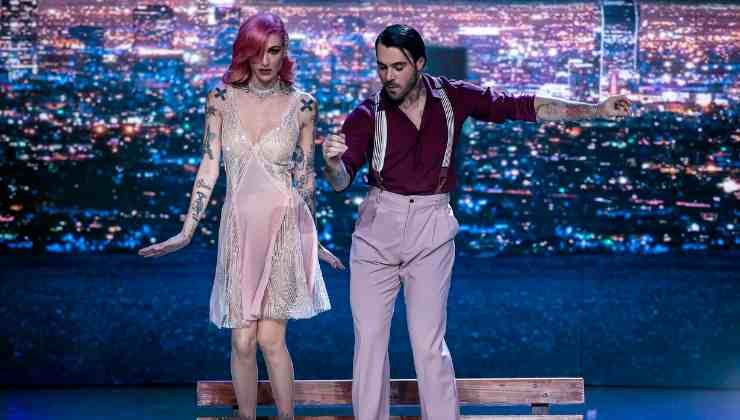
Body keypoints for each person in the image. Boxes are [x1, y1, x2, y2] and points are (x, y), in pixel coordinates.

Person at [322, 24, 630, 420]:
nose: (389, 76)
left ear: (420, 63)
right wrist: (332, 163)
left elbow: (520, 106)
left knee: (429, 344)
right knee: (369, 343)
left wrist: (595, 110)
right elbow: (341, 180)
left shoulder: (452, 97)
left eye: (398, 67)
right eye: (382, 67)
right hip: (377, 229)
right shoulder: (368, 114)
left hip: (432, 227)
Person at [138, 12, 344, 420]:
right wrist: (186, 232)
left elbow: (305, 178)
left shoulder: (303, 104)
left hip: (284, 226)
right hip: (239, 228)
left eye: (273, 51)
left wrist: (313, 241)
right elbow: (209, 166)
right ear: (243, 53)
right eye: (256, 51)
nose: (265, 61)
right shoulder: (220, 99)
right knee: (242, 342)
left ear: (285, 52)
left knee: (270, 340)